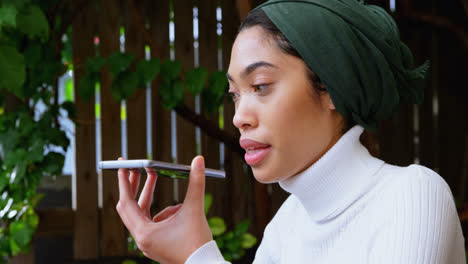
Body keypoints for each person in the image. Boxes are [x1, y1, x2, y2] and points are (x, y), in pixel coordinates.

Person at [115, 0, 466, 263]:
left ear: (330, 87)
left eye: (261, 85)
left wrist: (198, 256)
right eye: (235, 94)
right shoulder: (286, 227)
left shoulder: (412, 194)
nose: (239, 117)